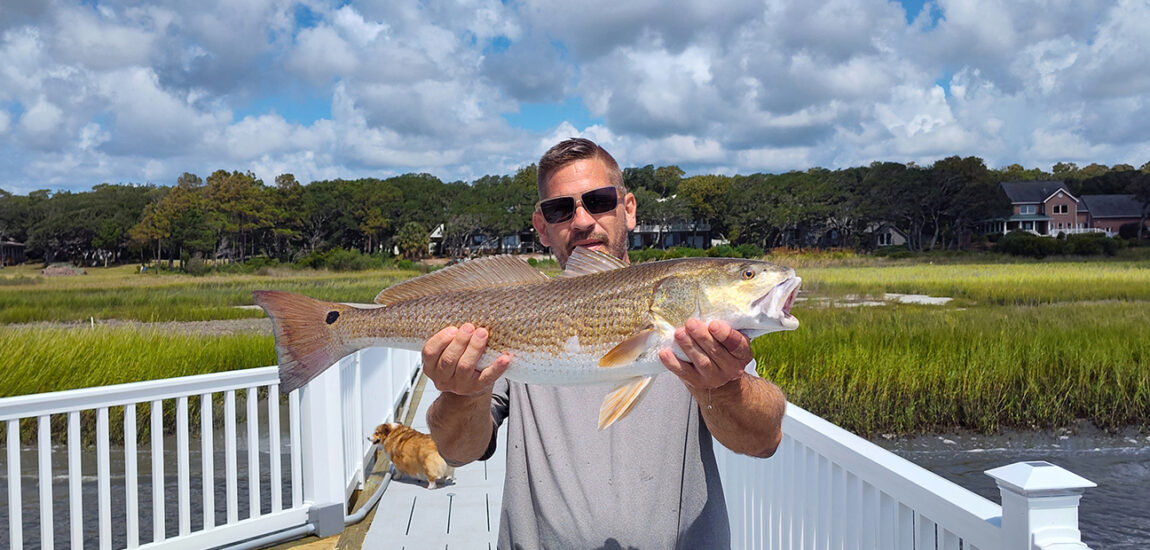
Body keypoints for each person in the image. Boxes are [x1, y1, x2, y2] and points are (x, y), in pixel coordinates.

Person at [424, 138, 786, 549]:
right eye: (560, 209)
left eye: (598, 201)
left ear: (628, 209)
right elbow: (455, 452)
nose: (581, 221)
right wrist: (460, 393)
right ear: (541, 227)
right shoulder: (513, 310)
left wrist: (724, 385)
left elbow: (763, 441)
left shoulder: (705, 340)